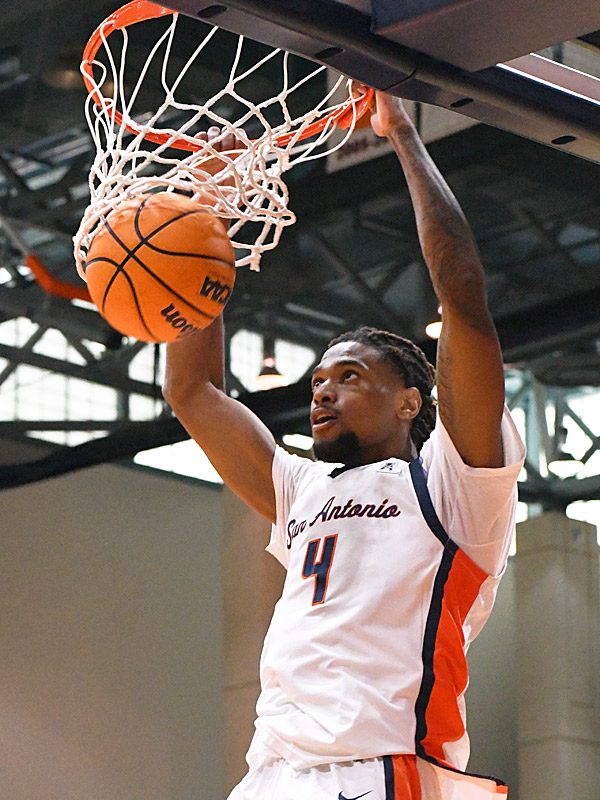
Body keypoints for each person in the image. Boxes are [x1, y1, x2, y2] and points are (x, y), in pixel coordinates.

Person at [163, 91, 525, 800]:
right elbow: (192, 392)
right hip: (271, 772)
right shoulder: (303, 489)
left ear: (409, 401)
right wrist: (209, 214)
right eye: (318, 378)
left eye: (349, 376)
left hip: (377, 767)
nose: (322, 391)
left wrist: (402, 136)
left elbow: (463, 296)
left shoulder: (452, 488)